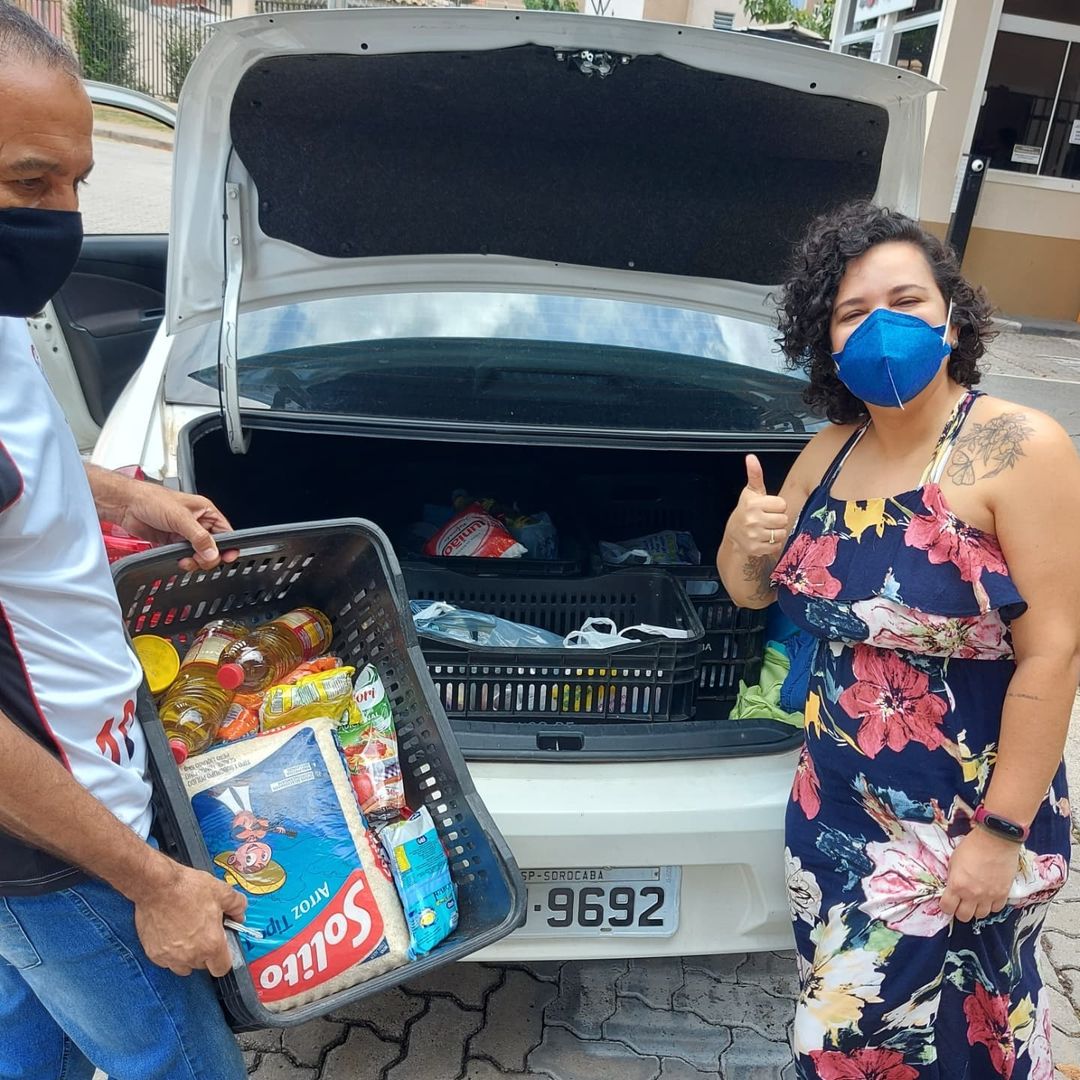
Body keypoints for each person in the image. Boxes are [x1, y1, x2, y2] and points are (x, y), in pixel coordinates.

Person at [718, 200, 1080, 1079]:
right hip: (835, 811)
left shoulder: (1017, 448)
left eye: (907, 300)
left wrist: (999, 835)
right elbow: (752, 591)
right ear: (828, 342)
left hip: (963, 821)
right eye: (851, 312)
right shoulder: (827, 454)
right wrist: (745, 536)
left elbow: (1056, 650)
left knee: (964, 1035)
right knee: (842, 1026)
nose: (882, 324)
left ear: (952, 319)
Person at [0, 6, 249, 1077]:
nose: (59, 218)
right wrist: (154, 884)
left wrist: (121, 496)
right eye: (25, 185)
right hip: (63, 851)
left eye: (75, 184)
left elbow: (24, 458)